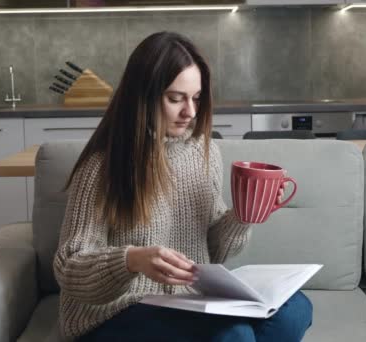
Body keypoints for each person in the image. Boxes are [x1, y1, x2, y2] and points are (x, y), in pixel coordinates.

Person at [53, 31, 313, 342]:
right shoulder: (102, 165)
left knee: (296, 309)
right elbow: (69, 267)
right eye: (175, 98)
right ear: (143, 96)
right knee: (235, 336)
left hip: (187, 302)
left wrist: (243, 216)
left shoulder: (202, 153)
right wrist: (132, 259)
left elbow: (215, 251)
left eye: (197, 98)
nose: (190, 112)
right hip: (114, 313)